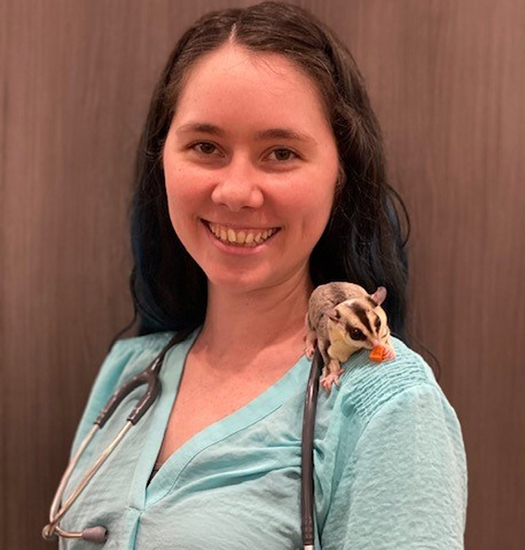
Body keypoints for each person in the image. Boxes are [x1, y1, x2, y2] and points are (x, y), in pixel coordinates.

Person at [57, 2, 467, 548]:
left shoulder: (388, 406)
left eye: (280, 152)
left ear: (340, 174)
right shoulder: (127, 374)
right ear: (164, 160)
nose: (236, 192)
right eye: (206, 147)